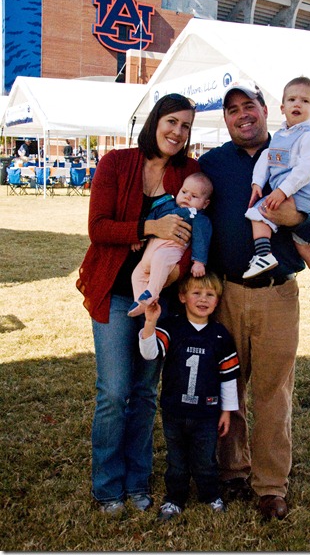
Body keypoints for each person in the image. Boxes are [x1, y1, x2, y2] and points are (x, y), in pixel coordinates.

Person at [198, 79, 310, 520]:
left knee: (273, 392)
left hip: (278, 294)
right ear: (225, 119)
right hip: (226, 294)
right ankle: (232, 470)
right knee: (228, 388)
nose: (242, 114)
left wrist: (294, 215)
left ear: (266, 109)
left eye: (250, 106)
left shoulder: (295, 150)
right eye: (232, 109)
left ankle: (270, 485)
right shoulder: (212, 163)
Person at [76, 93, 200, 515]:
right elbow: (98, 227)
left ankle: (137, 481)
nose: (177, 132)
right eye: (171, 121)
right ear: (155, 121)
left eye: (185, 126)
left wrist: (176, 273)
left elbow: (192, 236)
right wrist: (150, 225)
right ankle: (108, 485)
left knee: (146, 392)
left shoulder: (189, 173)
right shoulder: (117, 162)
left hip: (160, 298)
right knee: (113, 391)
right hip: (114, 290)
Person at [139, 272, 240, 521]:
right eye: (196, 293)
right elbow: (150, 353)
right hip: (175, 410)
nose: (203, 299)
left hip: (207, 413)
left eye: (210, 294)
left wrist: (227, 411)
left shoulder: (220, 335)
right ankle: (175, 499)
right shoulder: (172, 327)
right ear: (182, 296)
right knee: (177, 461)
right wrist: (150, 323)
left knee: (206, 459)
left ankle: (210, 494)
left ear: (218, 300)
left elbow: (228, 377)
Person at [243, 76, 310, 303]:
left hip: (301, 193)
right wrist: (257, 183)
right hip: (294, 194)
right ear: (282, 108)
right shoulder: (282, 136)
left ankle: (263, 255)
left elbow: (306, 169)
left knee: (258, 212)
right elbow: (267, 158)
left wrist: (282, 191)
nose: (297, 104)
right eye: (292, 99)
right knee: (300, 241)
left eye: (305, 101)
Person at [128, 172, 213, 317]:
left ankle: (152, 293)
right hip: (150, 249)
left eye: (194, 196)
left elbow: (201, 239)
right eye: (184, 192)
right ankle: (139, 301)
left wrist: (199, 261)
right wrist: (140, 236)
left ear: (205, 204)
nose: (187, 197)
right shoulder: (166, 204)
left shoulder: (198, 218)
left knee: (160, 261)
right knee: (137, 274)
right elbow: (151, 219)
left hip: (170, 250)